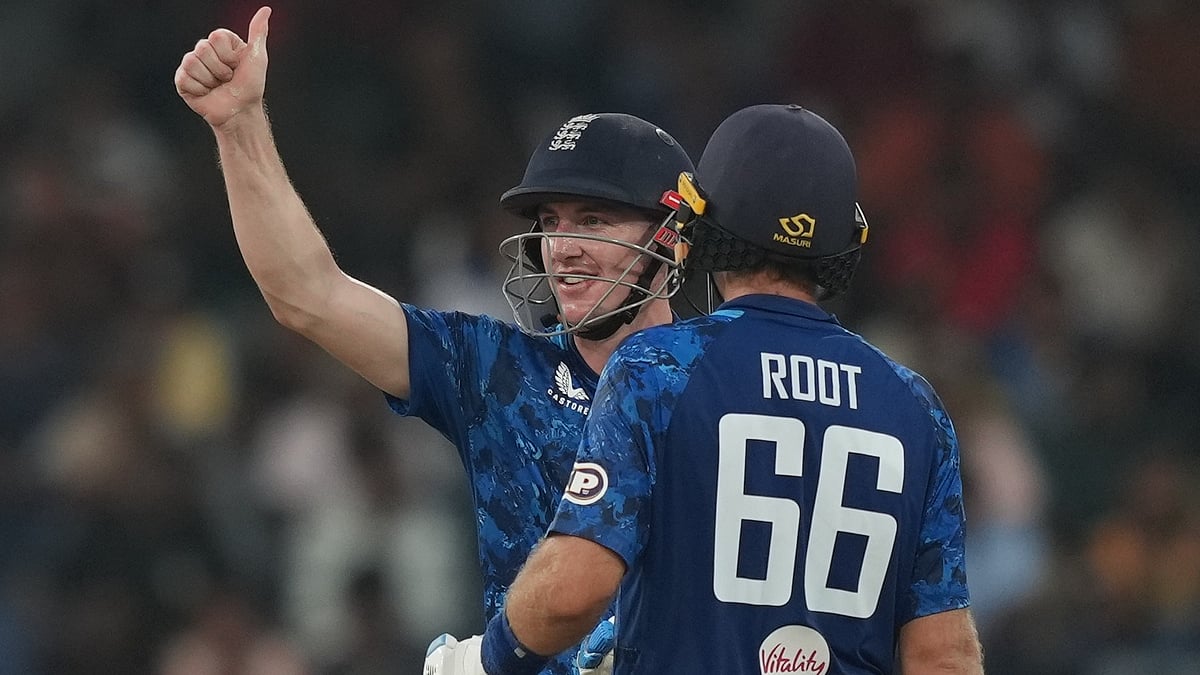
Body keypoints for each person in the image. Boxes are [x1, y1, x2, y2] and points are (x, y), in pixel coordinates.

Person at [172, 6, 694, 674]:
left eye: (594, 219)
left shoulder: (726, 379)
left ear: (670, 237)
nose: (563, 247)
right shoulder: (498, 370)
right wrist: (238, 124)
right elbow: (306, 293)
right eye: (551, 221)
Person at [471, 104, 985, 674]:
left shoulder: (658, 368)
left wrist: (489, 657)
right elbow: (944, 658)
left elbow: (572, 592)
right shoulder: (914, 404)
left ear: (704, 225)